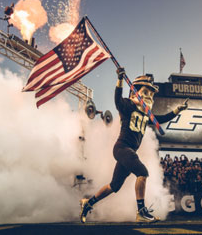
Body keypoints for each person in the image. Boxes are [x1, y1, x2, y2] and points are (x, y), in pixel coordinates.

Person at [79, 68, 188, 223]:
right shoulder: (128, 106)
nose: (149, 96)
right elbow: (117, 100)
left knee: (114, 186)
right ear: (134, 93)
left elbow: (162, 118)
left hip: (127, 151)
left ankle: (88, 203)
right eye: (146, 92)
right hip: (122, 147)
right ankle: (141, 212)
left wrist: (178, 110)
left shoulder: (146, 115)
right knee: (142, 172)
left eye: (151, 94)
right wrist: (120, 80)